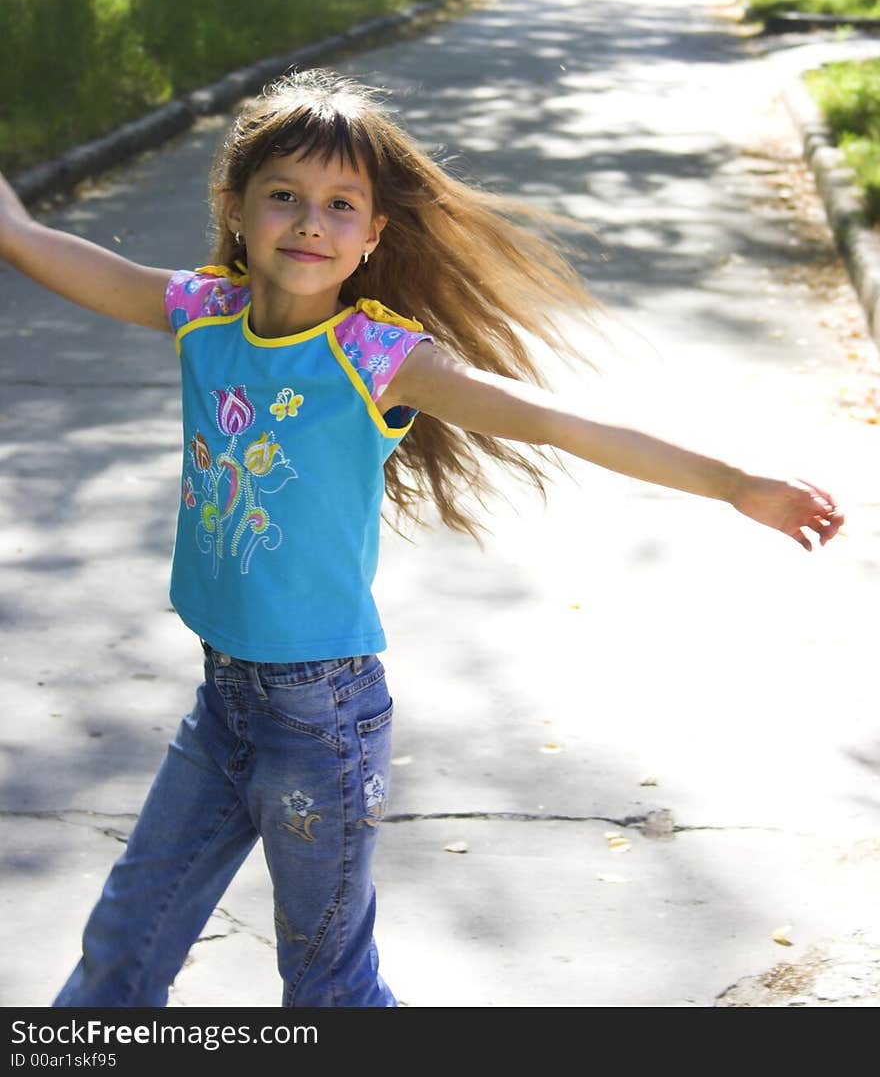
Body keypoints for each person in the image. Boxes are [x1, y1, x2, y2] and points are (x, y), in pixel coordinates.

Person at [0, 68, 843, 1009]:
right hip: (223, 701)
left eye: (339, 205)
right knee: (121, 951)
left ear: (371, 238)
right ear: (237, 210)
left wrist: (736, 484)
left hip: (320, 719)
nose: (309, 221)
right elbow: (44, 248)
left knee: (329, 986)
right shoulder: (204, 311)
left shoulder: (376, 357)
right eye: (284, 196)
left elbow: (561, 422)